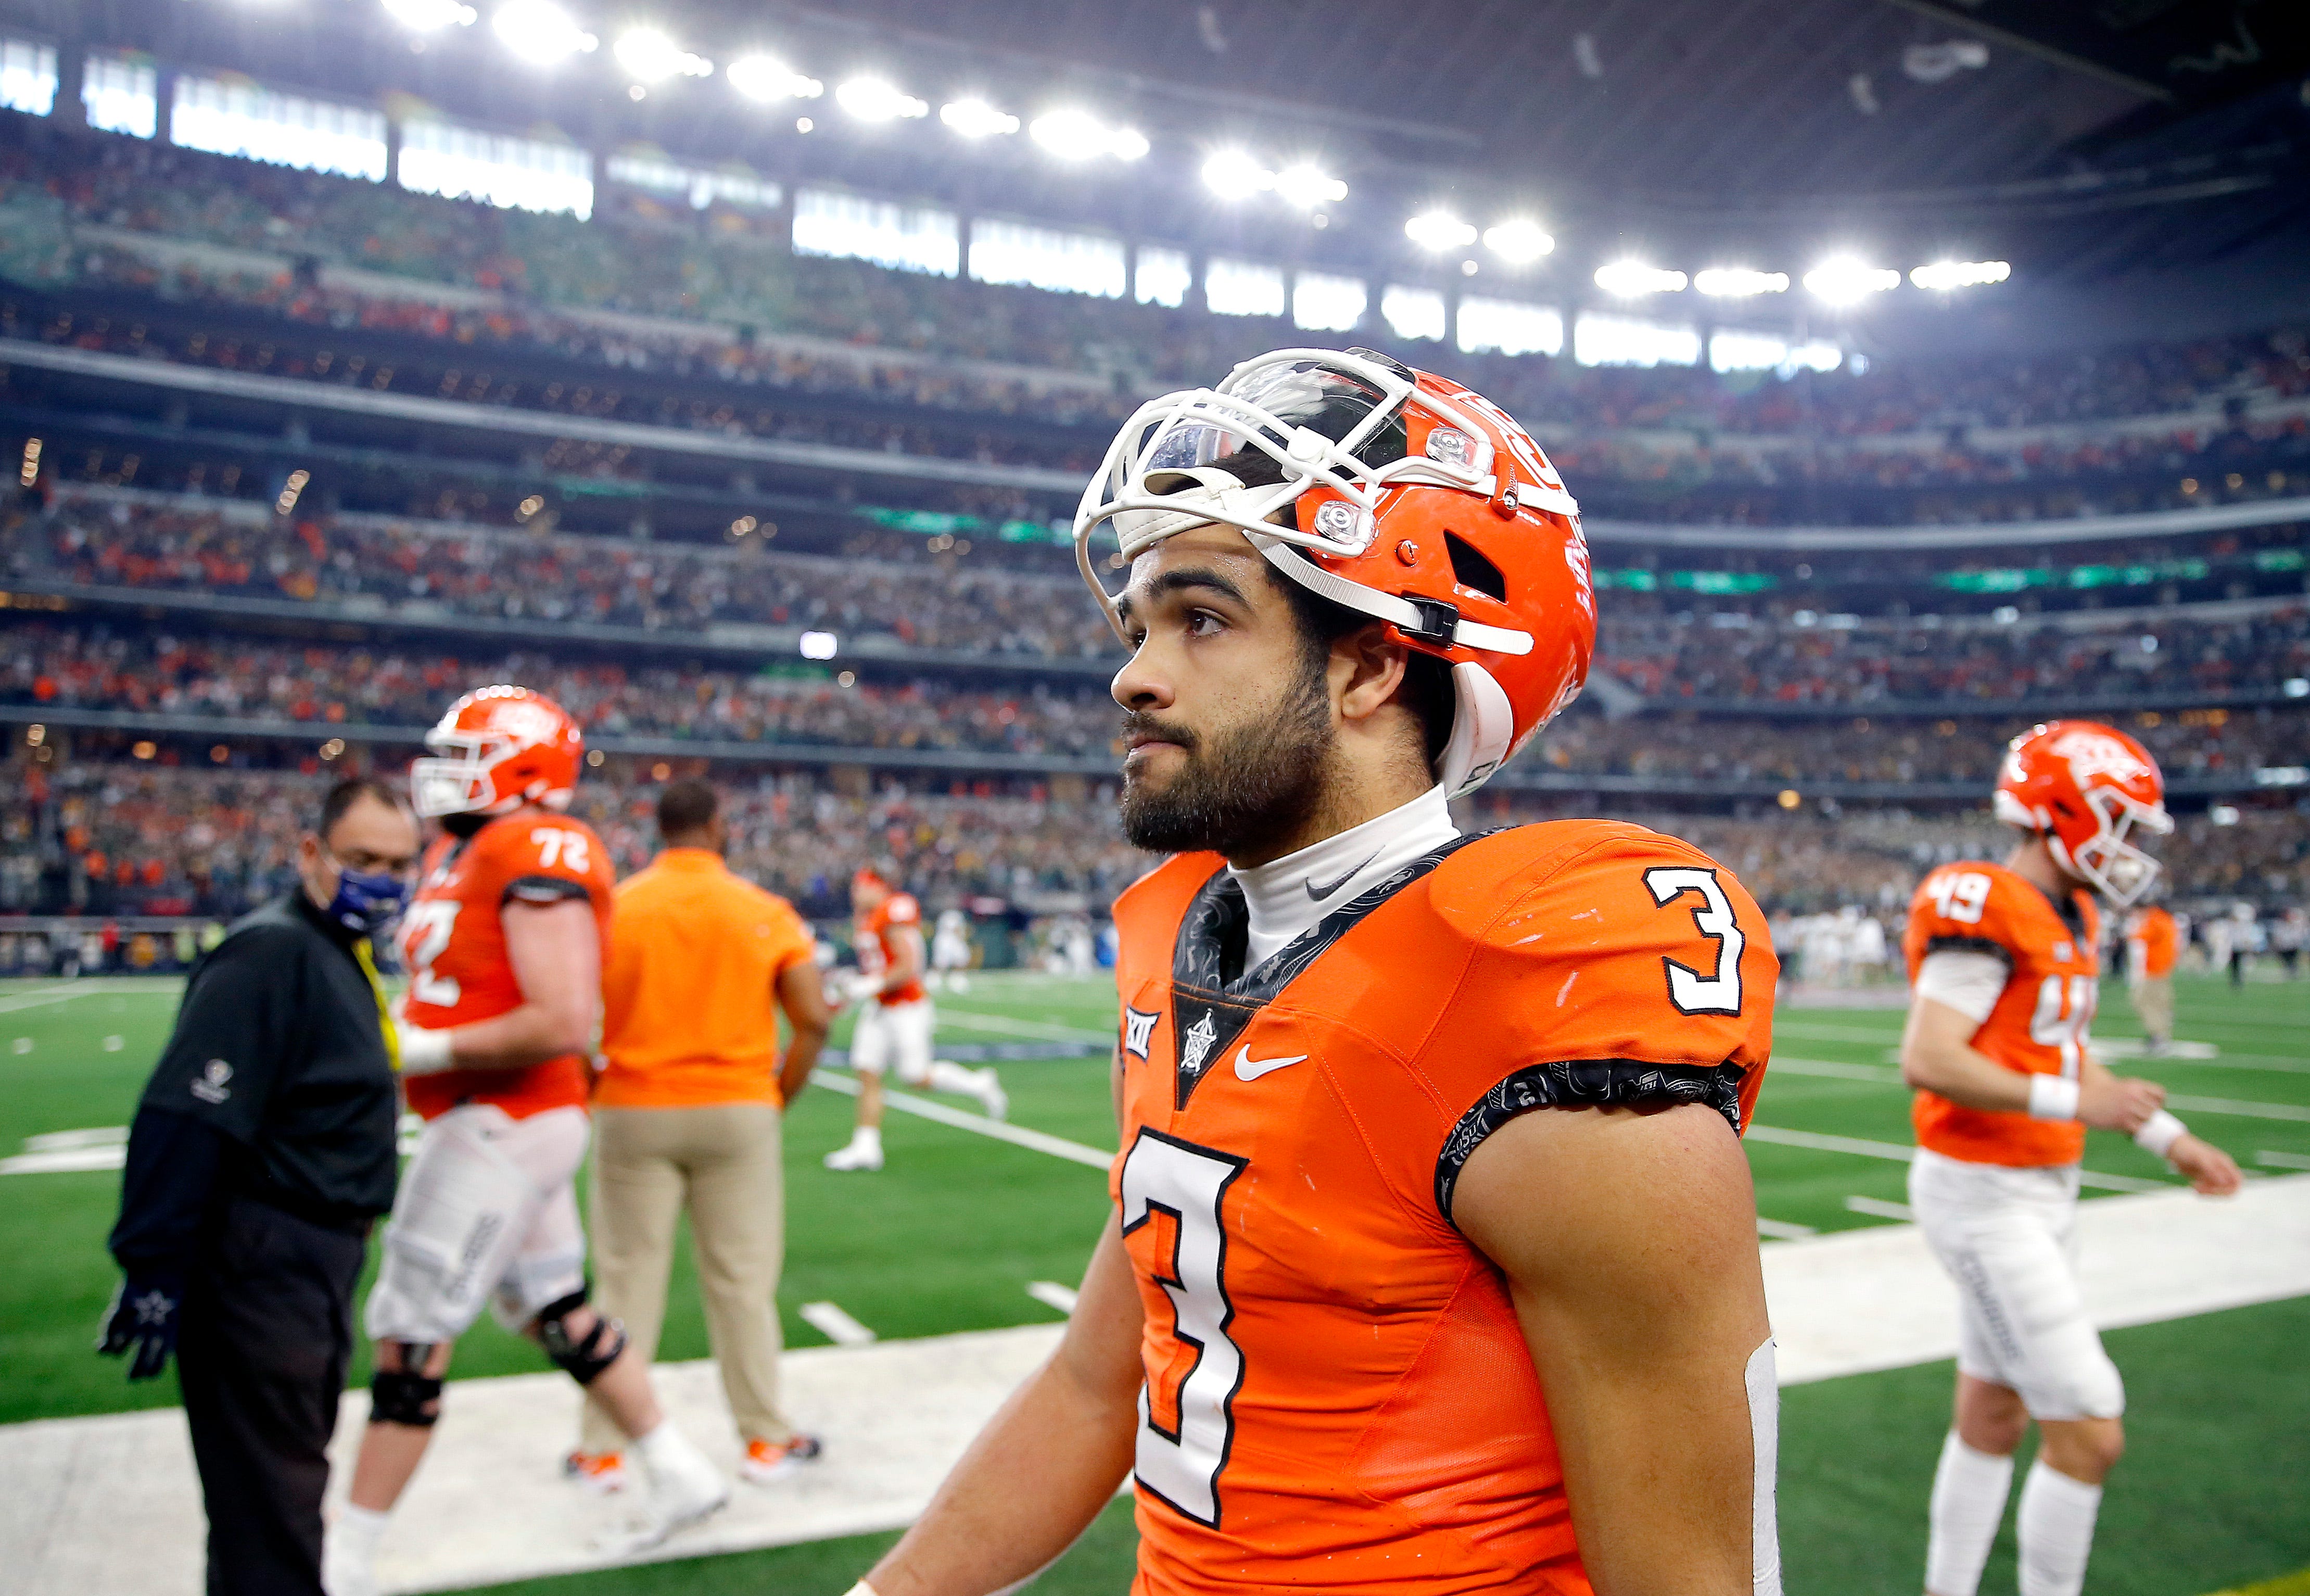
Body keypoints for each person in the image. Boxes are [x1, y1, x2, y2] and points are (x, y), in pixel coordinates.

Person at [849, 349, 1783, 1595]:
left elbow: (1694, 1581)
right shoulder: (1194, 941)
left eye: (1203, 617)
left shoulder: (1536, 1003)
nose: (1131, 673)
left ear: (1369, 665)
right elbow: (1095, 1382)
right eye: (1139, 624)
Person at [324, 688, 725, 1596]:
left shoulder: (535, 842)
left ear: (524, 765)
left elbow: (560, 1016)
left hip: (505, 1117)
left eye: (469, 752)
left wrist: (419, 1046)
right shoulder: (462, 846)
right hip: (491, 1116)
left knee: (409, 1336)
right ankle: (677, 1470)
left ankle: (341, 1558)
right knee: (559, 1308)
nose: (446, 770)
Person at [1897, 720, 2242, 1596]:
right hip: (1982, 1192)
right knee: (2089, 1426)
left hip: (2042, 1186)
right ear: (2066, 812)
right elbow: (1931, 1056)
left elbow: (2063, 1054)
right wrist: (2073, 1102)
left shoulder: (2074, 908)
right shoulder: (1980, 897)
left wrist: (2165, 1137)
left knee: (1992, 1409)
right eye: (2120, 823)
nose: (2127, 849)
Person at [100, 777, 418, 1596]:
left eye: (397, 862)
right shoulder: (274, 949)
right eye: (361, 859)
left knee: (280, 1487)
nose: (381, 879)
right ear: (311, 852)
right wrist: (154, 1265)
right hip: (262, 1260)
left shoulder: (330, 950)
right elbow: (187, 1112)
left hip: (309, 1259)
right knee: (271, 1504)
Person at [565, 779, 831, 1492]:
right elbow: (813, 1017)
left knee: (624, 1281)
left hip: (633, 1104)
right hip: (736, 1107)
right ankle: (765, 1440)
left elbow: (563, 1013)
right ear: (718, 826)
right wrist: (773, 1096)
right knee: (742, 1282)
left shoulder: (617, 906)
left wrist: (596, 1083)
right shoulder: (761, 908)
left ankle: (603, 1446)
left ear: (659, 826)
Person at [823, 866, 1006, 1172]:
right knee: (867, 1071)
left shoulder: (892, 911)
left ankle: (979, 1083)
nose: (855, 894)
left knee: (915, 1076)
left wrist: (871, 984)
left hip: (907, 1006)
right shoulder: (867, 918)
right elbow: (878, 965)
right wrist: (854, 986)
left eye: (861, 887)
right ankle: (866, 1146)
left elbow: (908, 965)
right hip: (881, 1008)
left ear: (878, 887)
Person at [2124, 898, 2180, 1053]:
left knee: (2144, 1002)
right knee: (2159, 1004)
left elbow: (2138, 936)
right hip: (2163, 968)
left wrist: (2133, 926)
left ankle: (2159, 1036)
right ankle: (2160, 1035)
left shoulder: (2156, 920)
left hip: (2155, 970)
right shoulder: (2167, 920)